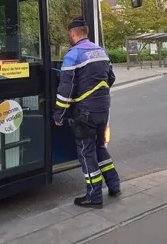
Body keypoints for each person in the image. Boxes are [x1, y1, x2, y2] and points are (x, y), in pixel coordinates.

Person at [53, 16, 121, 209]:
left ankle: (94, 196)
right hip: (103, 109)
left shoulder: (73, 55)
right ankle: (114, 185)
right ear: (87, 32)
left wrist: (59, 114)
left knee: (86, 152)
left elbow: (66, 88)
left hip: (85, 112)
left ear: (73, 34)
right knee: (100, 147)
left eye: (69, 35)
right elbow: (111, 78)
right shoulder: (101, 51)